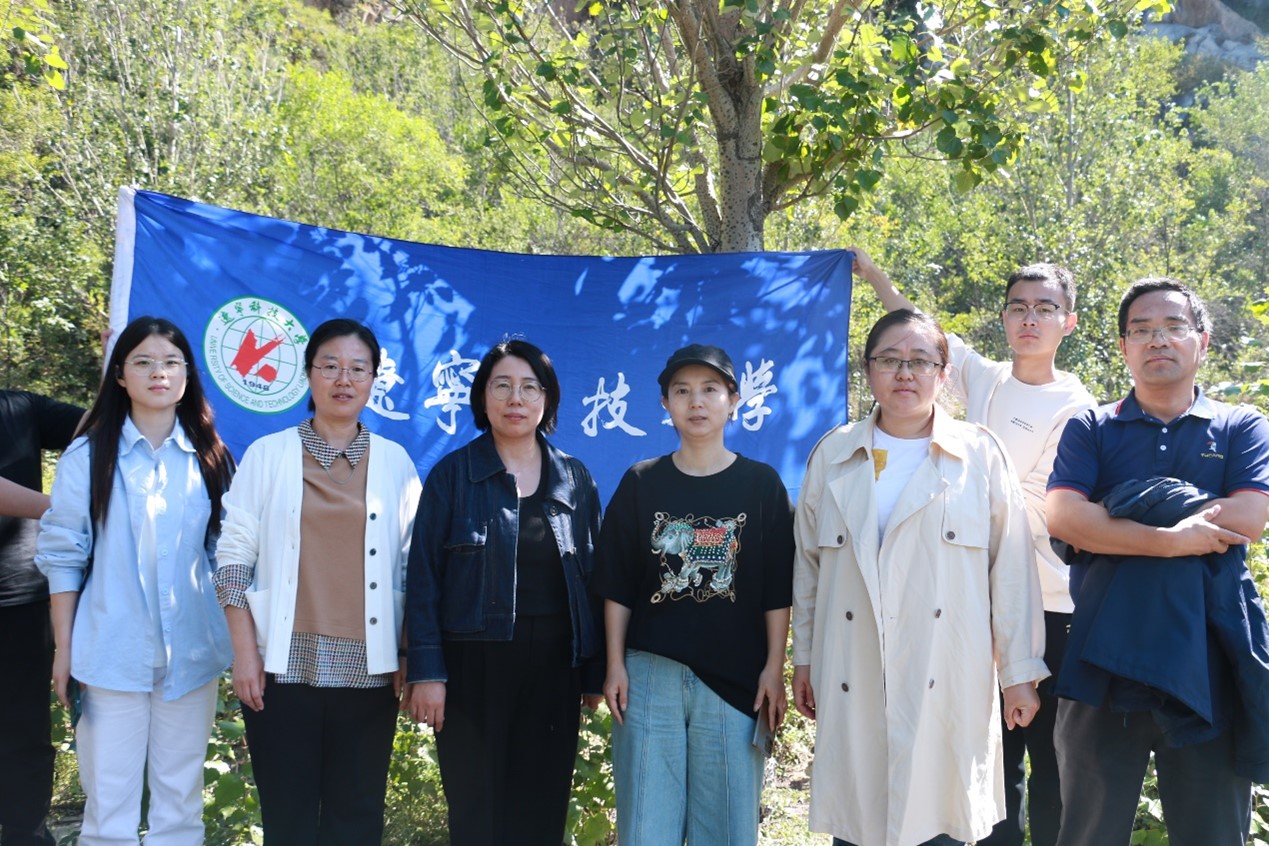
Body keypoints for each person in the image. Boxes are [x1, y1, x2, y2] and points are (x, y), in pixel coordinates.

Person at [856, 249, 1095, 846]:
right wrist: (875, 274)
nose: (1030, 319)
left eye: (1045, 308)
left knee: (1053, 761)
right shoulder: (987, 378)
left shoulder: (1078, 408)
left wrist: (958, 495)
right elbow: (920, 336)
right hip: (972, 603)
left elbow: (1038, 510)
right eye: (1018, 307)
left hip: (1048, 607)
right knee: (987, 759)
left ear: (1069, 321)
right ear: (1005, 317)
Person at [792, 309, 1048, 846]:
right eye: (889, 360)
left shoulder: (978, 454)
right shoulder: (834, 453)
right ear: (868, 370)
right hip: (856, 662)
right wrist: (806, 659)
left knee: (939, 816)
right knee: (861, 816)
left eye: (921, 361)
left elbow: (1011, 569)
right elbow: (809, 569)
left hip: (947, 663)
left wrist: (1019, 671)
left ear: (944, 372)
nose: (905, 373)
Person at [1046, 277, 1269, 846]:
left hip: (1209, 657)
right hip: (1102, 654)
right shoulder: (1092, 427)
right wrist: (1176, 539)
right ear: (1124, 346)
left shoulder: (1240, 426)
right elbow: (1065, 519)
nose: (1157, 340)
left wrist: (1115, 515)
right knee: (1089, 833)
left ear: (1203, 341)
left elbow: (1248, 518)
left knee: (1214, 833)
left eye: (1173, 327)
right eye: (1141, 330)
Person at [215, 318, 421, 843]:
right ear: (309, 374)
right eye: (330, 366)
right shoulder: (269, 454)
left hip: (370, 672)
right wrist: (245, 654)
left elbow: (410, 567)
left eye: (358, 369)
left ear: (373, 379)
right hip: (283, 669)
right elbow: (233, 557)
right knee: (289, 820)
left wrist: (405, 654)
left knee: (356, 820)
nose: (343, 380)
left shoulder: (395, 463)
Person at [35, 316, 235, 845]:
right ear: (120, 375)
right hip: (109, 653)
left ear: (187, 375)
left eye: (170, 362)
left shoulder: (211, 458)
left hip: (190, 654)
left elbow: (225, 557)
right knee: (109, 811)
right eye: (143, 362)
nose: (158, 373)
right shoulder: (88, 455)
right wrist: (64, 651)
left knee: (180, 807)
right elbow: (63, 556)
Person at [404, 338, 603, 846]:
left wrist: (594, 673)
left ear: (546, 399)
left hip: (556, 668)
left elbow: (594, 578)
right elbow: (423, 578)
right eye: (503, 386)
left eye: (530, 387)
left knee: (542, 807)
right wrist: (427, 671)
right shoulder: (453, 476)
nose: (516, 398)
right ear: (483, 397)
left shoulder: (574, 478)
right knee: (477, 810)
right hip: (473, 667)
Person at [595, 343, 795, 846]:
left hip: (735, 681)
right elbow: (617, 584)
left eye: (710, 389)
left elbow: (777, 589)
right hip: (648, 676)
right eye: (682, 391)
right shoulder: (641, 482)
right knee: (646, 827)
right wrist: (614, 664)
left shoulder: (762, 485)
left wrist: (774, 668)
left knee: (727, 829)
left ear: (733, 400)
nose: (696, 402)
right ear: (666, 403)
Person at [0, 391, 84, 846]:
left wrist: (120, 369)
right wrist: (65, 509)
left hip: (21, 598)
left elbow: (106, 425)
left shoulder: (21, 407)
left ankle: (26, 835)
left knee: (25, 734)